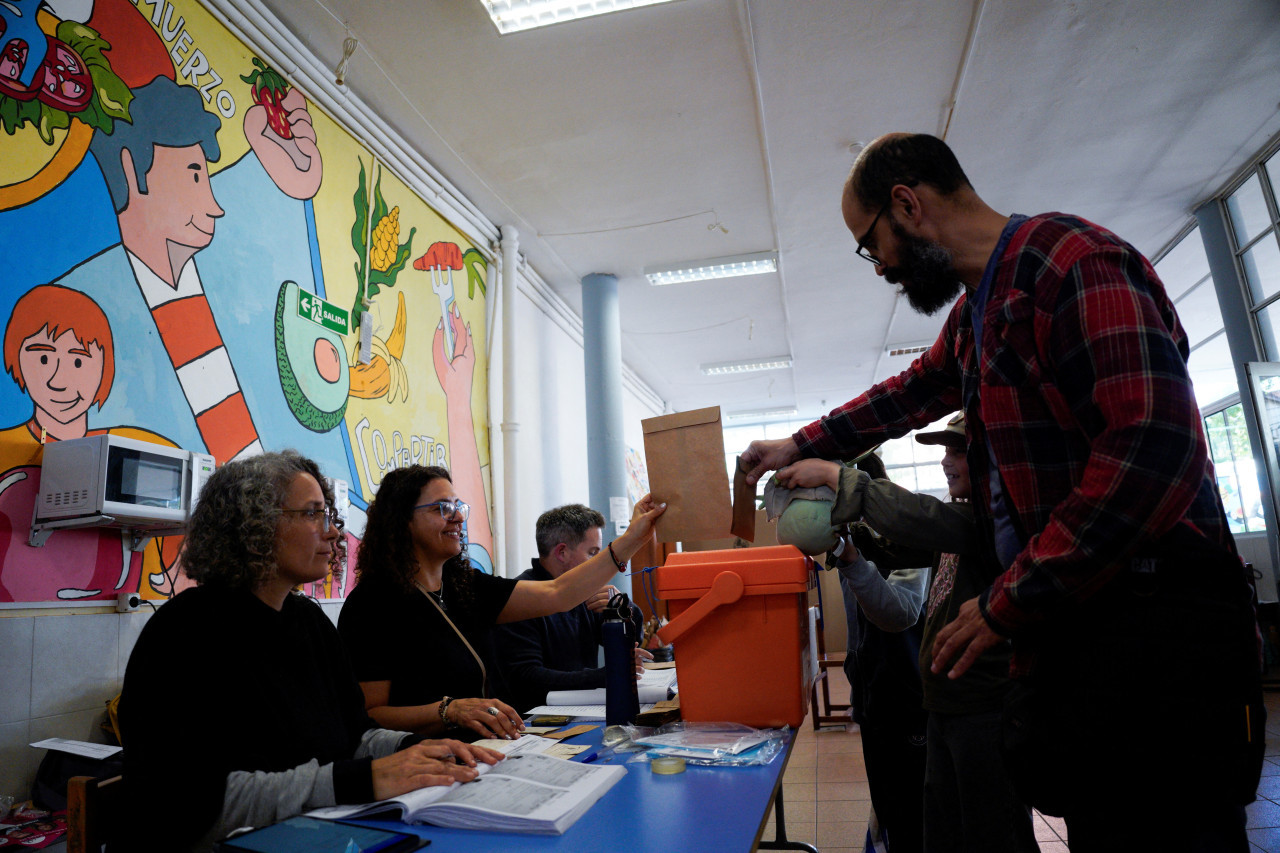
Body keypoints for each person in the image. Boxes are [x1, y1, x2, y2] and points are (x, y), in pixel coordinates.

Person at [743, 132, 1262, 849]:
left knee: (1170, 829)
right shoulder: (976, 316)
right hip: (1084, 631)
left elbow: (1152, 451)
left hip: (1156, 633)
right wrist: (802, 443)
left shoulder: (1074, 264)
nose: (881, 267)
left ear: (907, 204)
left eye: (872, 244)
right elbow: (907, 393)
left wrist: (1009, 600)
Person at [117, 451, 501, 852]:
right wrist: (362, 778)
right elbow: (189, 803)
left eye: (329, 515)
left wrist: (418, 752)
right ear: (255, 525)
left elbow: (356, 736)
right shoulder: (185, 633)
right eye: (313, 514)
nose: (333, 533)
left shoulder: (309, 621)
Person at [777, 414, 1037, 853]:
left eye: (959, 451)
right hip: (941, 706)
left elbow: (916, 524)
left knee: (994, 835)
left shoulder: (990, 523)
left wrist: (838, 479)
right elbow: (898, 540)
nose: (946, 463)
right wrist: (843, 544)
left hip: (981, 710)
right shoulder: (955, 522)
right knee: (936, 832)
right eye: (945, 452)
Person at [338, 465, 665, 741]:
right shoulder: (372, 603)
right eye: (442, 508)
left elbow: (559, 594)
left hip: (483, 751)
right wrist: (449, 710)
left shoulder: (464, 587)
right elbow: (370, 715)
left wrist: (631, 540)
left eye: (458, 507)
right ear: (401, 520)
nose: (457, 518)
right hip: (419, 763)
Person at [494, 503, 650, 713]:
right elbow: (527, 679)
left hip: (579, 709)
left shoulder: (585, 594)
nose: (598, 563)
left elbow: (631, 642)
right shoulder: (521, 598)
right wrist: (604, 675)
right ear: (562, 552)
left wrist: (622, 608)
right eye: (593, 554)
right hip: (533, 722)